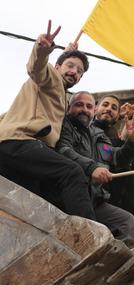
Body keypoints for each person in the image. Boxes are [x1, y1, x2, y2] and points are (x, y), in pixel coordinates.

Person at [0, 21, 96, 220]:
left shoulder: (60, 93)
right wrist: (43, 49)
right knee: (72, 173)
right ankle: (92, 233)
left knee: (37, 203)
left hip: (16, 152)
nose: (74, 72)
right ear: (57, 66)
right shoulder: (49, 76)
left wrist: (69, 53)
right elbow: (36, 67)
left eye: (79, 72)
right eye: (71, 66)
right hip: (21, 142)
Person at [56, 91, 134, 249]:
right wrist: (92, 168)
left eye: (89, 106)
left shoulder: (99, 135)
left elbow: (117, 158)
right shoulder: (65, 124)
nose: (84, 109)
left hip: (95, 199)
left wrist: (132, 142)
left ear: (93, 110)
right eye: (79, 105)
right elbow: (64, 150)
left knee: (128, 223)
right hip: (68, 197)